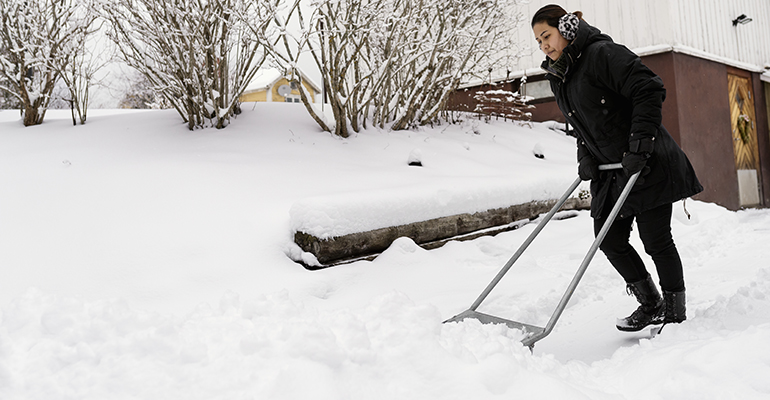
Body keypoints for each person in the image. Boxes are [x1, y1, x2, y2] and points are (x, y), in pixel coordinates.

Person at [531, 4, 703, 332]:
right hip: (611, 171)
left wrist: (640, 143)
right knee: (609, 239)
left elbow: (648, 88)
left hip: (646, 162)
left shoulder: (602, 54)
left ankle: (674, 313)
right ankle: (651, 303)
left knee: (655, 240)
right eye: (538, 41)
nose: (544, 46)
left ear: (566, 28)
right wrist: (585, 156)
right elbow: (582, 126)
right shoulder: (560, 75)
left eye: (547, 36)